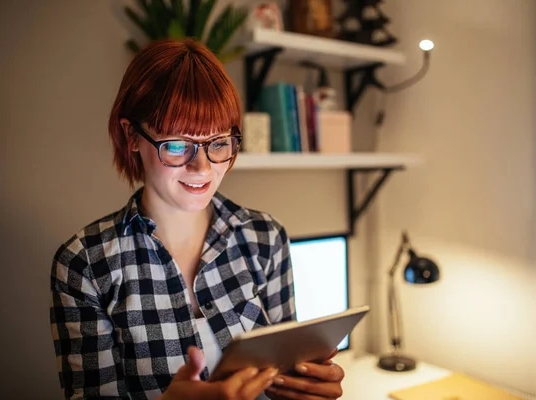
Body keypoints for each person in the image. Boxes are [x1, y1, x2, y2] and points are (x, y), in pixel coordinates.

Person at [49, 38, 345, 400]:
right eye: (177, 144)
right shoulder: (86, 265)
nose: (202, 168)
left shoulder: (265, 238)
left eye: (218, 142)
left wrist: (306, 387)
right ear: (132, 137)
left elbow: (282, 374)